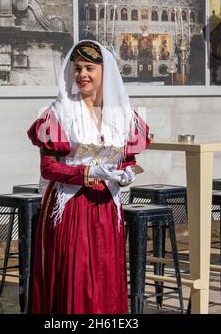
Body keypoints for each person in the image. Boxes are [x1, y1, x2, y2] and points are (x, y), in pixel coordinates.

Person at [27, 39, 150, 314]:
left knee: (106, 274)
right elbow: (48, 168)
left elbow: (127, 158)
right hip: (71, 209)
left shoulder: (122, 115)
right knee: (76, 274)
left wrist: (127, 173)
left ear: (104, 71)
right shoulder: (60, 112)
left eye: (90, 68)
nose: (82, 74)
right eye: (78, 68)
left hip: (107, 209)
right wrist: (85, 172)